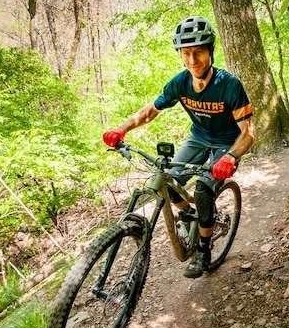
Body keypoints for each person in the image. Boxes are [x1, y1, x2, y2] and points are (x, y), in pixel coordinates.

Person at [102, 16, 255, 278]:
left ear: (210, 52)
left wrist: (231, 156)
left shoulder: (229, 85)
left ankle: (204, 250)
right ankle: (188, 213)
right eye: (186, 53)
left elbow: (249, 133)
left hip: (227, 144)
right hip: (198, 138)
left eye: (198, 52)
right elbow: (151, 111)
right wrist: (122, 129)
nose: (193, 60)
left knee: (205, 190)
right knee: (168, 180)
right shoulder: (180, 83)